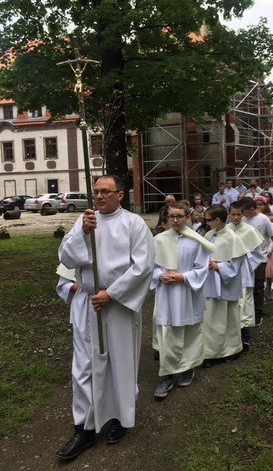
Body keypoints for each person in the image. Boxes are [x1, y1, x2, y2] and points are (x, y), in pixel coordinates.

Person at [56, 175, 155, 461]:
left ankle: (119, 418)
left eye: (106, 192)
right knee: (84, 366)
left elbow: (143, 266)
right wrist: (84, 233)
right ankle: (84, 428)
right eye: (96, 191)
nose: (99, 196)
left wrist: (111, 293)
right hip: (88, 303)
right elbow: (66, 257)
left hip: (118, 304)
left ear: (120, 195)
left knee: (119, 362)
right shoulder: (86, 220)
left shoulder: (134, 224)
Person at [152, 202, 214, 398]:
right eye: (172, 216)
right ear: (167, 218)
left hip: (187, 293)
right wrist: (160, 276)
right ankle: (167, 374)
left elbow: (202, 268)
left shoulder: (197, 241)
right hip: (166, 294)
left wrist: (183, 277)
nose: (176, 220)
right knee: (167, 333)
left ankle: (188, 368)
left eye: (179, 216)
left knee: (190, 332)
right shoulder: (159, 240)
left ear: (188, 217)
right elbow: (149, 266)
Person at [202, 205, 247, 365]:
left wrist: (219, 266)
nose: (206, 223)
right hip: (210, 283)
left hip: (226, 284)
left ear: (217, 220)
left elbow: (236, 264)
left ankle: (230, 350)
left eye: (208, 220)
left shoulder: (232, 238)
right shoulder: (209, 235)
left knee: (228, 319)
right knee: (211, 320)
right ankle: (210, 352)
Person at [227, 201, 264, 350]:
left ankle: (245, 333)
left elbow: (258, 254)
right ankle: (232, 334)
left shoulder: (249, 231)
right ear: (229, 214)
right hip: (228, 272)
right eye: (233, 214)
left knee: (245, 303)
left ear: (243, 214)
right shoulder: (225, 230)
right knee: (232, 304)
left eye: (238, 214)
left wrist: (245, 262)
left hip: (243, 272)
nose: (235, 217)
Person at [242, 199, 273, 326]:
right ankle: (247, 311)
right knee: (246, 286)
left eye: (243, 211)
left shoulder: (263, 219)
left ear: (251, 209)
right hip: (245, 258)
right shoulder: (243, 220)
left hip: (261, 257)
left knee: (258, 285)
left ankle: (258, 313)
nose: (241, 214)